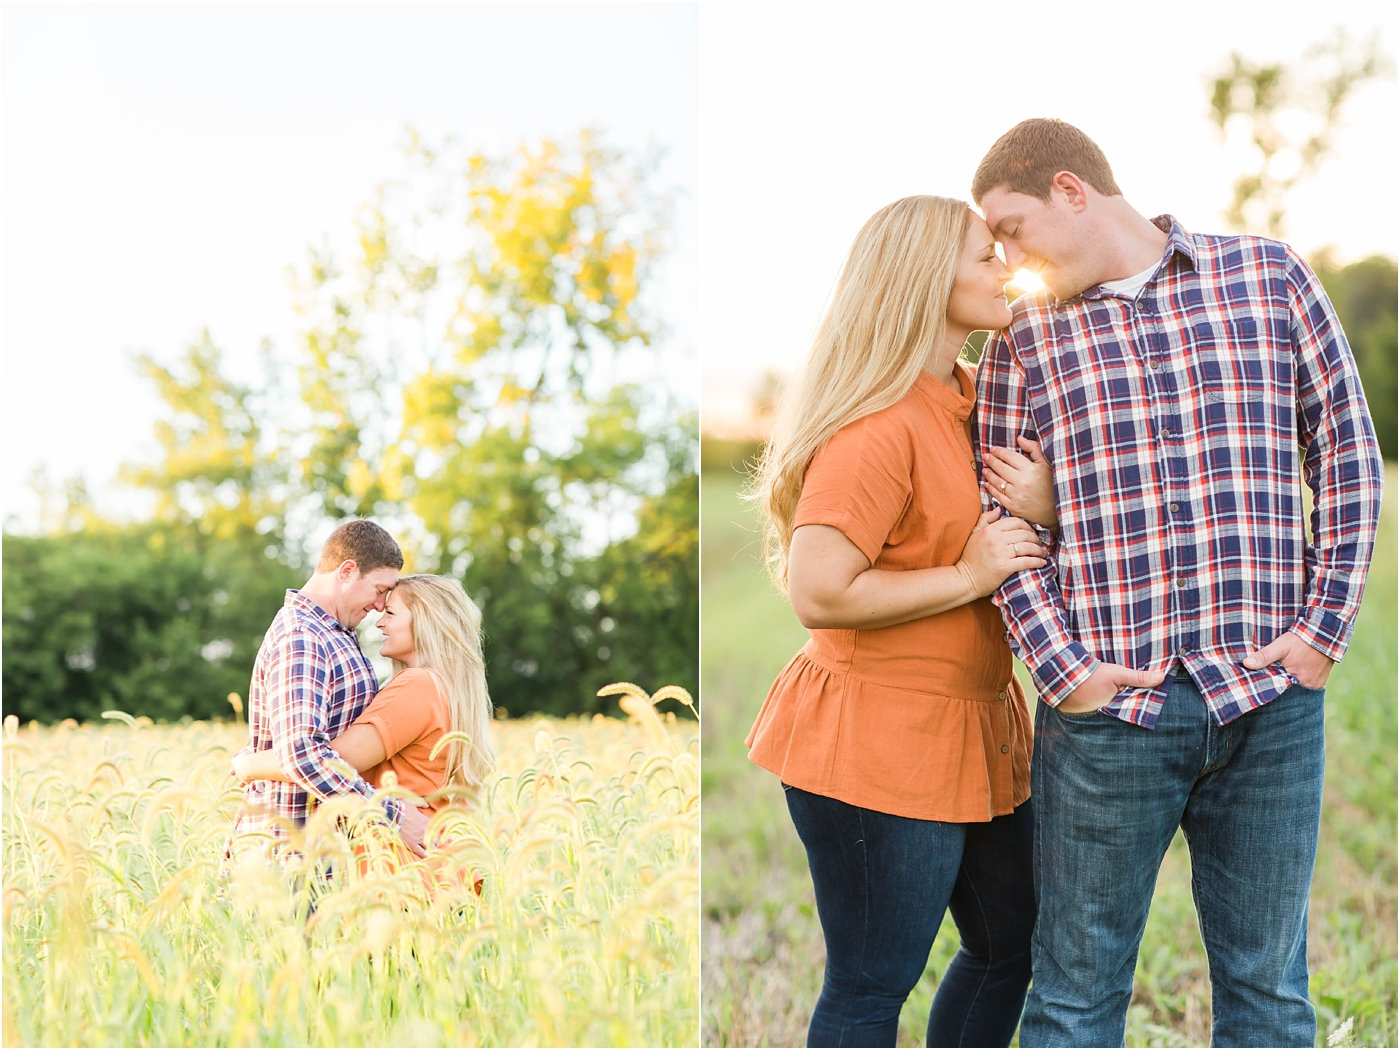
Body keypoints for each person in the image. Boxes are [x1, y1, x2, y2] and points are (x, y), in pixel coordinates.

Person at [971, 118, 1383, 1048]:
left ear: (1071, 190)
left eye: (1011, 228)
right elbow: (997, 523)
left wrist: (1324, 629)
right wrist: (1062, 669)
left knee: (1269, 995)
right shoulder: (1023, 344)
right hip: (1108, 718)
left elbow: (1351, 455)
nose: (1004, 257)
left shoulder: (1267, 276)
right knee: (1074, 1001)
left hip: (1269, 704)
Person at [746, 195, 1056, 1048]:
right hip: (878, 740)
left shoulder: (967, 398)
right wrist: (969, 573)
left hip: (977, 729)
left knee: (1012, 942)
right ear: (925, 278)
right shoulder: (877, 428)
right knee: (872, 982)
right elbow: (820, 590)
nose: (1008, 270)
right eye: (985, 256)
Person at [233, 574, 496, 880]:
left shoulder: (417, 686)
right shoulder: (443, 686)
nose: (379, 623)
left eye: (391, 613)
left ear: (425, 621)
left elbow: (329, 761)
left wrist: (247, 763)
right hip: (419, 861)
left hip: (397, 864)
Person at [230, 519, 429, 858]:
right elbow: (302, 753)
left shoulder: (335, 634)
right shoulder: (303, 637)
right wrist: (391, 816)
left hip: (324, 855)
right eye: (380, 590)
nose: (381, 605)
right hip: (291, 852)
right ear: (347, 571)